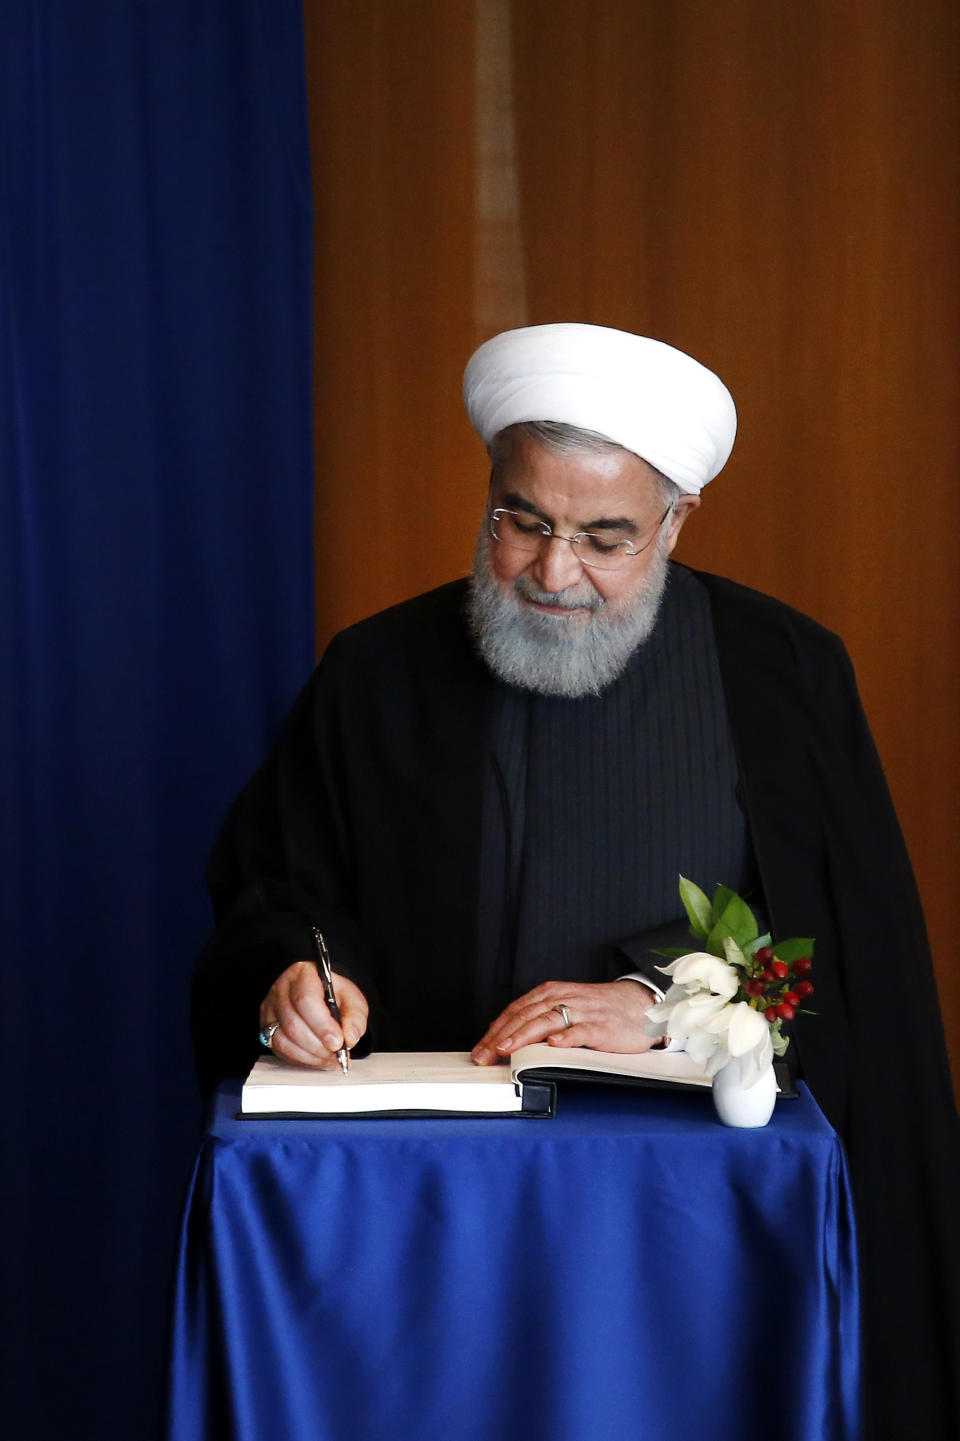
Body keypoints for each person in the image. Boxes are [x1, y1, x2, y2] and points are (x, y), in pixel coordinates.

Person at [193, 323, 960, 1440]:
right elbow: (282, 883)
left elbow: (843, 944)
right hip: (428, 1210)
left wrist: (656, 997)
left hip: (695, 1218)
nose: (556, 574)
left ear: (676, 520)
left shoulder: (784, 672)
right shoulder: (377, 669)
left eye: (606, 537)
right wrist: (301, 977)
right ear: (491, 493)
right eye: (525, 522)